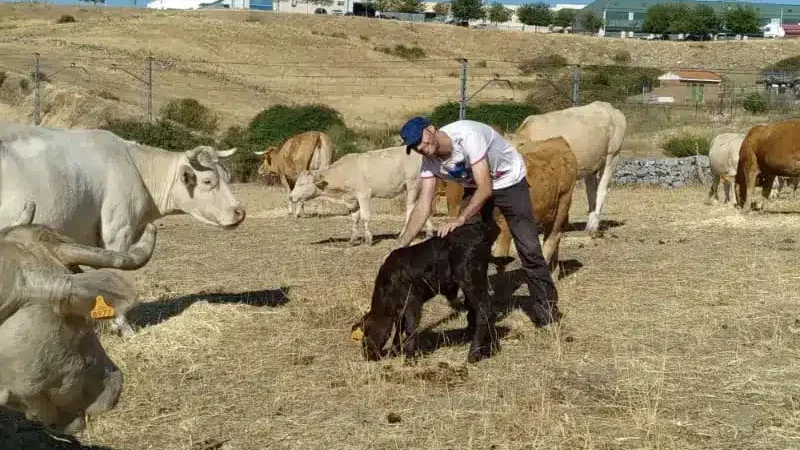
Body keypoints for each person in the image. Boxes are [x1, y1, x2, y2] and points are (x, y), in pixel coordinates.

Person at [394, 116, 560, 327]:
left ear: (432, 129)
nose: (420, 147)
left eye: (421, 140)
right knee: (465, 248)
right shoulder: (430, 162)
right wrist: (400, 245)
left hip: (509, 181)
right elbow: (423, 205)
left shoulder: (468, 136)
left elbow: (486, 188)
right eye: (414, 146)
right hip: (476, 187)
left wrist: (461, 217)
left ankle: (547, 310)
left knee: (528, 247)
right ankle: (477, 317)